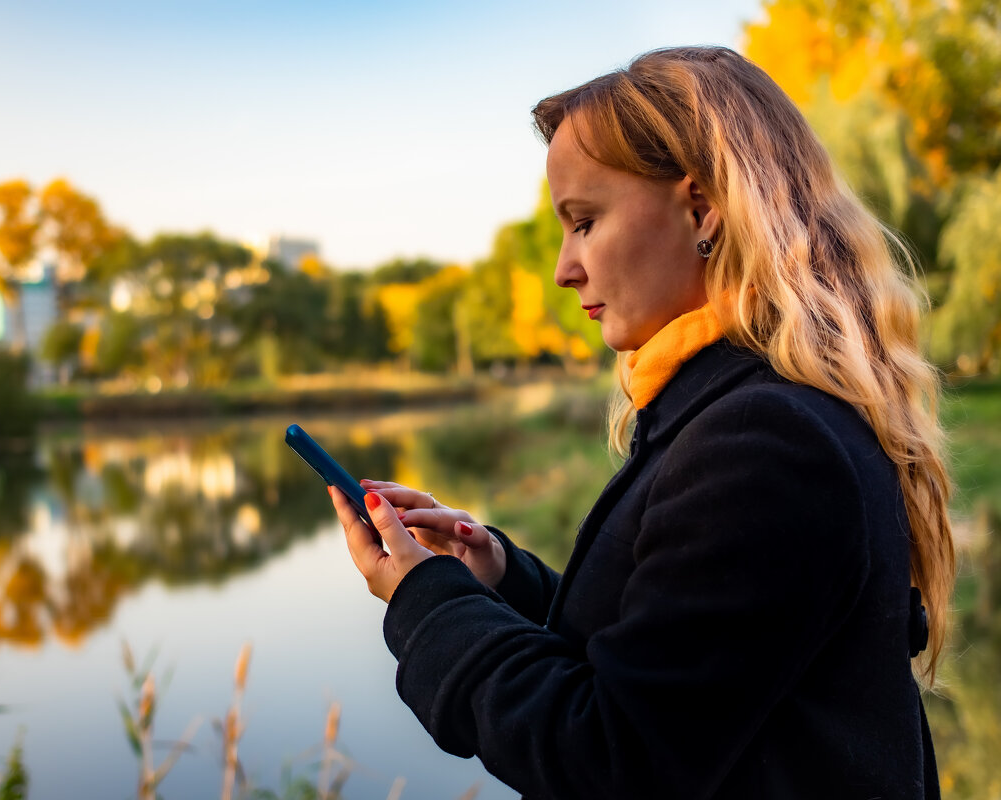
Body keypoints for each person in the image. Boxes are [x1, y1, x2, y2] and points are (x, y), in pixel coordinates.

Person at [328, 45, 954, 800]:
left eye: (584, 222)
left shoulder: (766, 442)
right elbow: (683, 659)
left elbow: (614, 760)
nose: (565, 268)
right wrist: (495, 575)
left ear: (701, 210)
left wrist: (426, 599)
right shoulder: (739, 411)